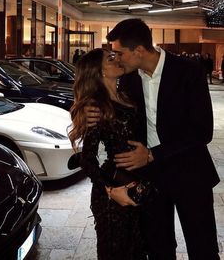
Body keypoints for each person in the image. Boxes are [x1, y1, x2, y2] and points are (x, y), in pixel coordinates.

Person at [85, 18, 220, 260]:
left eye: (119, 52)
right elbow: (101, 94)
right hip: (149, 178)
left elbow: (202, 131)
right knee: (158, 247)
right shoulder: (127, 78)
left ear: (138, 50)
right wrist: (88, 111)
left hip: (190, 173)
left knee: (203, 246)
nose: (116, 58)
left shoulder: (188, 71)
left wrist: (152, 153)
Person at [68, 48, 148, 260]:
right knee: (115, 252)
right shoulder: (95, 107)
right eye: (111, 58)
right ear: (99, 70)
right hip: (113, 192)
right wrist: (111, 190)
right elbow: (87, 159)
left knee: (137, 250)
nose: (117, 59)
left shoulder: (125, 95)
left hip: (135, 183)